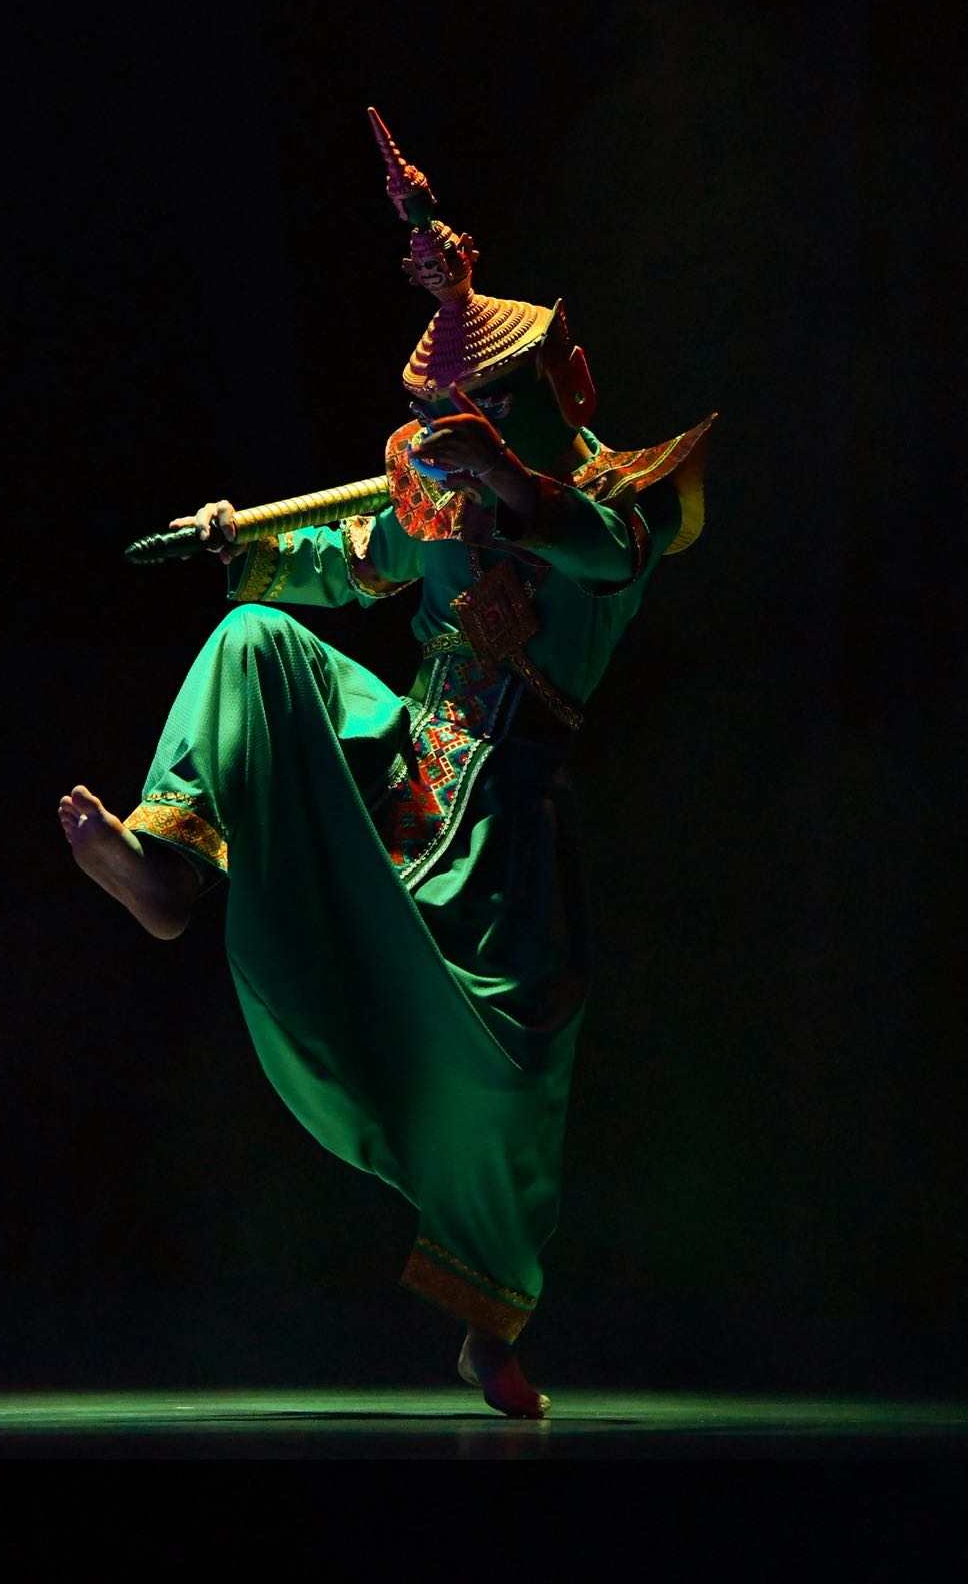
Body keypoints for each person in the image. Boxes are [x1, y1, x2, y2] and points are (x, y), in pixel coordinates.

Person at [58, 109, 714, 1417]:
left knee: (505, 1077)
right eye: (447, 418)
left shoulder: (610, 506)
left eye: (481, 412)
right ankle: (170, 863)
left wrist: (512, 482)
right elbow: (349, 557)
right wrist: (243, 543)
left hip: (506, 824)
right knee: (254, 639)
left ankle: (489, 1323)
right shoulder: (442, 500)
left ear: (548, 397)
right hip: (401, 762)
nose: (453, 437)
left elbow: (599, 554)